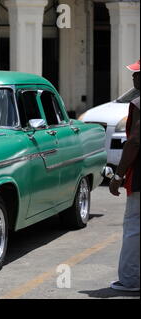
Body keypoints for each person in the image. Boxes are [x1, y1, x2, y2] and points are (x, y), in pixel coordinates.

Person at [109, 59, 140, 292]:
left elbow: (135, 141)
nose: (133, 78)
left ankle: (130, 280)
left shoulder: (138, 103)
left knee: (133, 227)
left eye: (136, 74)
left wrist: (118, 175)